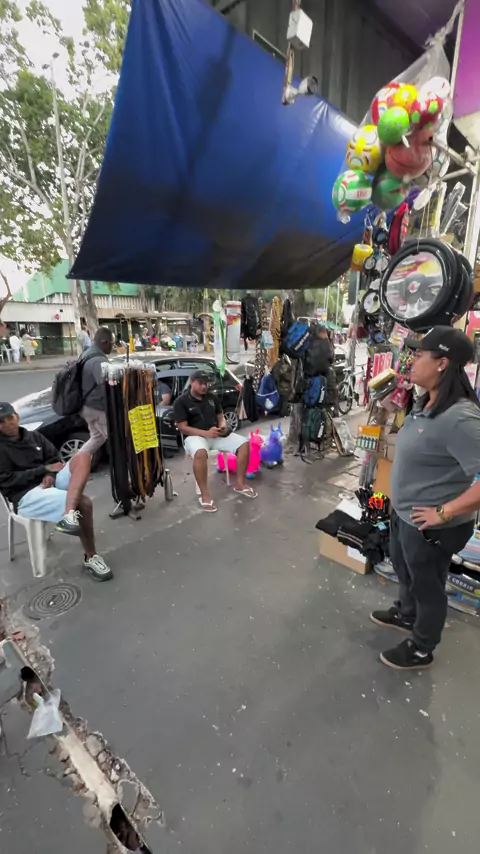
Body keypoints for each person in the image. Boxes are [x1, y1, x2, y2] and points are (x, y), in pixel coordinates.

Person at [371, 327, 480, 671]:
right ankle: (407, 614)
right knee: (404, 569)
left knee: (427, 586)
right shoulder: (427, 401)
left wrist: (443, 513)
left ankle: (422, 647)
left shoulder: (460, 417)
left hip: (432, 525)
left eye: (419, 355)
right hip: (406, 514)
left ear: (442, 363)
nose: (411, 361)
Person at [0, 402, 112, 580]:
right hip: (25, 495)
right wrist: (42, 470)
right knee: (83, 503)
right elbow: (6, 481)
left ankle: (68, 515)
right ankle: (91, 557)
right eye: (1, 422)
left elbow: (54, 459)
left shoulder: (33, 436)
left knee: (83, 456)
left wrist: (50, 474)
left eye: (9, 418)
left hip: (49, 482)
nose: (7, 424)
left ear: (17, 416)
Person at [173, 369, 258, 512]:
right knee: (200, 453)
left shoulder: (212, 397)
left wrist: (223, 426)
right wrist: (206, 433)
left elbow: (220, 416)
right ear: (192, 382)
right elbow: (183, 427)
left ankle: (240, 484)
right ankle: (205, 495)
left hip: (215, 434)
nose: (204, 386)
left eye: (206, 383)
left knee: (244, 443)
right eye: (200, 383)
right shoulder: (181, 401)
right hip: (195, 436)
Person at [80, 327, 114, 457]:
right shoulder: (99, 361)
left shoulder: (87, 354)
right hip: (97, 407)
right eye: (112, 343)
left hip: (86, 405)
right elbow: (107, 386)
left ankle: (74, 463)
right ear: (104, 342)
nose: (112, 346)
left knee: (97, 437)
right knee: (117, 439)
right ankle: (122, 467)